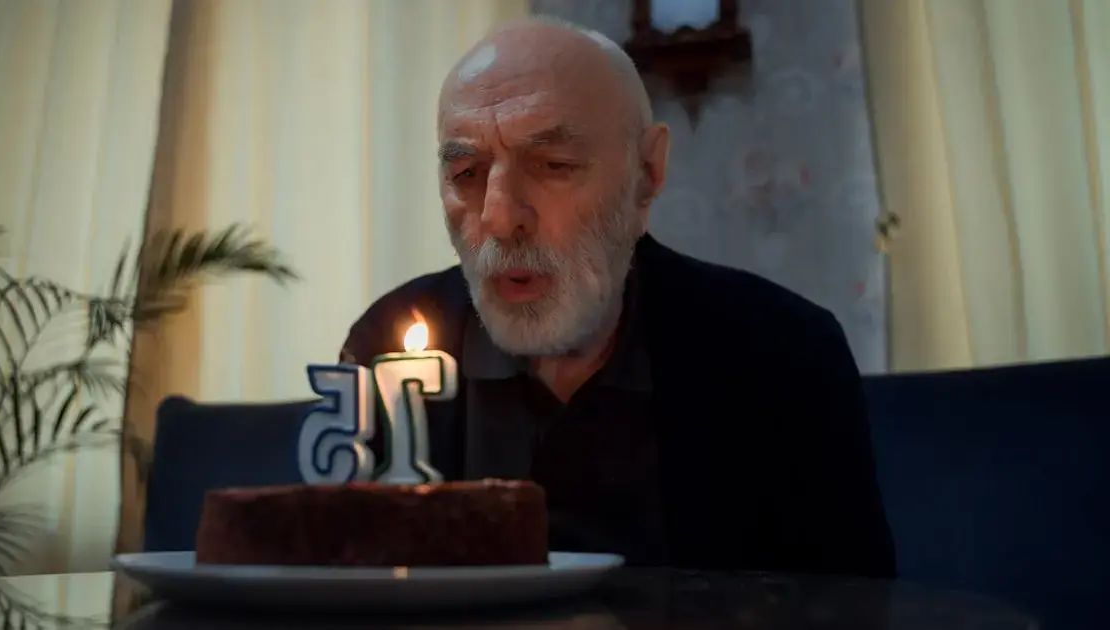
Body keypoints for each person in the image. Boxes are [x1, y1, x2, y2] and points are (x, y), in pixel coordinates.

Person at [340, 18, 895, 578]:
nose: (499, 217)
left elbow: (851, 605)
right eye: (465, 172)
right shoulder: (388, 349)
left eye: (554, 166)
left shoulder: (783, 355)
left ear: (647, 174)